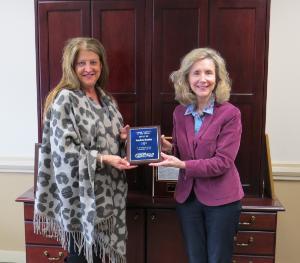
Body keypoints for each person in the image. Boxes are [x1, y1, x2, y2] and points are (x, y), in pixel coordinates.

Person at [34, 37, 137, 263]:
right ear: (71, 67)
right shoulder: (65, 99)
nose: (88, 69)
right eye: (81, 63)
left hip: (107, 198)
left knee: (99, 258)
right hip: (80, 199)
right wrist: (104, 158)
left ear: (102, 65)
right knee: (81, 257)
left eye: (94, 62)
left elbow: (110, 144)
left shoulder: (106, 99)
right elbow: (65, 152)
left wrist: (122, 139)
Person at [150, 48, 244, 263]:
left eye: (209, 73)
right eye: (196, 73)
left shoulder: (230, 114)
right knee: (195, 259)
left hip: (222, 201)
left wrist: (182, 164)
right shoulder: (179, 113)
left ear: (217, 78)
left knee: (218, 259)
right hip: (188, 199)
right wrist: (168, 149)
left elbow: (222, 162)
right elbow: (186, 154)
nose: (203, 79)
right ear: (187, 78)